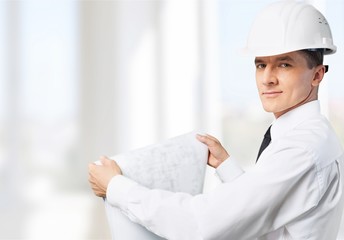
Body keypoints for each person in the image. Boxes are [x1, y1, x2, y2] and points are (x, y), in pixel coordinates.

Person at [88, 1, 344, 239]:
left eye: (284, 65)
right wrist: (226, 166)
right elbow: (271, 213)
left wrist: (115, 187)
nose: (267, 78)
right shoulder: (306, 135)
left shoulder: (302, 149)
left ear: (317, 75)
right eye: (260, 65)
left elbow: (202, 223)